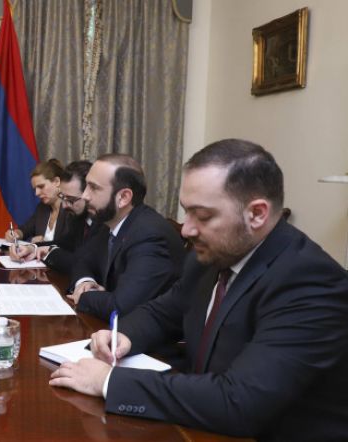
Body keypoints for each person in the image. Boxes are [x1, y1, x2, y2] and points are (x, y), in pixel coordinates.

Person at [49, 139, 348, 441]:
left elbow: (240, 402)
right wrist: (122, 335)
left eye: (202, 216)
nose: (186, 230)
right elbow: (163, 312)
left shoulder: (310, 281)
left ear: (257, 214)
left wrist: (109, 381)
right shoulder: (211, 255)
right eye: (186, 212)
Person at [68, 154, 185, 320]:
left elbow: (121, 307)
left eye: (94, 188)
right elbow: (81, 259)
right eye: (87, 185)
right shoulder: (107, 223)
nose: (85, 196)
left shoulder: (150, 235)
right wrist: (85, 282)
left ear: (123, 197)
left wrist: (83, 296)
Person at [10, 160, 98, 275]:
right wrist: (32, 248)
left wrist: (49, 251)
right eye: (62, 197)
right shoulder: (79, 218)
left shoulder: (103, 222)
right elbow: (64, 243)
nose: (64, 205)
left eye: (70, 200)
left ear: (88, 195)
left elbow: (85, 263)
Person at [3, 159, 75, 244]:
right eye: (35, 189)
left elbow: (72, 245)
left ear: (57, 181)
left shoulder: (72, 209)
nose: (36, 193)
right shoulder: (42, 208)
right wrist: (16, 234)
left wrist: (45, 244)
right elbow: (25, 229)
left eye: (41, 187)